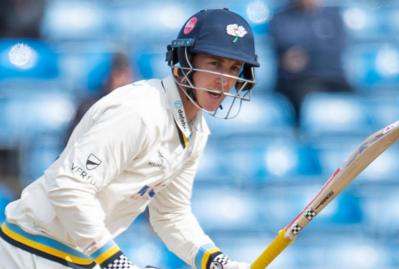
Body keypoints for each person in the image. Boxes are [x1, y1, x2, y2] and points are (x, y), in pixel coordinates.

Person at [0, 8, 259, 269]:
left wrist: (218, 262)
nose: (224, 81)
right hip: (29, 251)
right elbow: (68, 186)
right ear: (184, 61)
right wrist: (116, 262)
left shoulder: (196, 130)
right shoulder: (138, 111)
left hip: (79, 258)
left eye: (234, 68)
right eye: (214, 64)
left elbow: (170, 215)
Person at [269, 0, 353, 124]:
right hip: (300, 81)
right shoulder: (281, 17)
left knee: (357, 101)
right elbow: (286, 53)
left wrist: (306, 53)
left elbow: (336, 48)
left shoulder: (334, 15)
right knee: (303, 97)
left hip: (334, 77)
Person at [65, 51, 135, 143]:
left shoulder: (139, 106)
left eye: (124, 74)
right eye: (117, 73)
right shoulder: (89, 106)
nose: (121, 79)